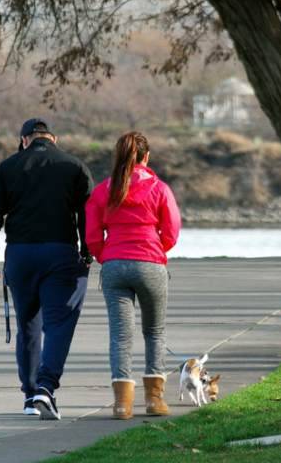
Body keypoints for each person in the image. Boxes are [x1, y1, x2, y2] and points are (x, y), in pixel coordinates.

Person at [0, 118, 94, 420]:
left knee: (27, 326)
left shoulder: (8, 167)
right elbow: (88, 213)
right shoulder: (74, 167)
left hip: (20, 255)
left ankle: (30, 397)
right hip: (61, 252)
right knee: (58, 324)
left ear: (24, 140)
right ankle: (45, 387)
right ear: (53, 139)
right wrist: (87, 252)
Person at [85, 131, 181, 420]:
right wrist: (156, 250)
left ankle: (122, 405)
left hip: (115, 265)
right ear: (146, 157)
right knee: (154, 332)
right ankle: (154, 400)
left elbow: (91, 236)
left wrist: (107, 255)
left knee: (120, 336)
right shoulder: (160, 188)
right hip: (150, 263)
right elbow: (172, 231)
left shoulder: (103, 190)